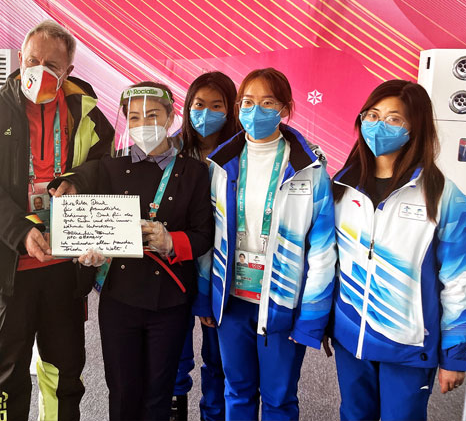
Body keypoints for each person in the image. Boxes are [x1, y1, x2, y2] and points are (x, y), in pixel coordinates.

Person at [0, 20, 114, 421]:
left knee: (65, 368)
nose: (39, 70)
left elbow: (104, 166)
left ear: (68, 71)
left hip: (65, 266)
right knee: (7, 369)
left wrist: (78, 180)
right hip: (8, 265)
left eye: (52, 65)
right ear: (20, 59)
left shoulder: (89, 116)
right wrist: (20, 230)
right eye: (32, 60)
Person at [61, 82, 213, 420]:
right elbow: (94, 226)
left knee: (159, 392)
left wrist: (172, 241)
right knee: (122, 390)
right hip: (119, 297)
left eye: (153, 115)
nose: (144, 124)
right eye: (134, 117)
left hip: (170, 299)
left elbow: (203, 236)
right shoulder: (109, 168)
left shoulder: (194, 172)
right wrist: (92, 254)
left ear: (171, 117)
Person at [331, 80, 466, 421]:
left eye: (393, 119)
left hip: (408, 346)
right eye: (372, 115)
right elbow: (329, 262)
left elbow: (459, 281)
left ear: (415, 127)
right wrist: (322, 323)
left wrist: (454, 355)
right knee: (353, 415)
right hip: (351, 337)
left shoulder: (442, 196)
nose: (379, 125)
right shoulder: (341, 186)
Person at [198, 67, 336, 420]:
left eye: (267, 102)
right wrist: (205, 297)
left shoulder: (309, 169)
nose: (255, 110)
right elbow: (209, 237)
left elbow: (322, 250)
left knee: (279, 399)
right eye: (247, 102)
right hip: (232, 301)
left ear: (285, 108)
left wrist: (312, 317)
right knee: (237, 391)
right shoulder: (220, 165)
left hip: (282, 303)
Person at [172, 71, 238, 421]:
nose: (206, 113)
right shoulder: (170, 150)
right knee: (174, 356)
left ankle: (214, 415)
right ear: (187, 106)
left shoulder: (241, 154)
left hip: (223, 275)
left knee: (219, 360)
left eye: (217, 106)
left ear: (231, 110)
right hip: (176, 270)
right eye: (199, 105)